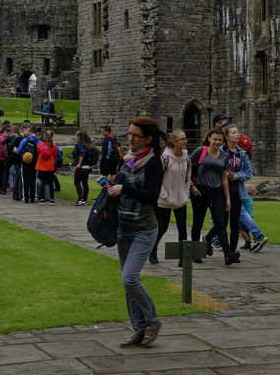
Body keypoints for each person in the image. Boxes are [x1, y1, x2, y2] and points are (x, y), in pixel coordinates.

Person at [107, 116, 166, 348]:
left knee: (129, 278)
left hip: (144, 228)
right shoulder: (127, 159)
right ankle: (139, 330)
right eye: (129, 134)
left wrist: (125, 188)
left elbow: (152, 196)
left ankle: (152, 320)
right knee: (128, 283)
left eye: (135, 135)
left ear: (148, 139)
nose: (130, 138)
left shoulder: (154, 163)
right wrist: (112, 186)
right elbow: (121, 185)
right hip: (124, 227)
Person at [189, 128, 239, 265]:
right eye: (215, 139)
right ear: (209, 138)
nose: (217, 142)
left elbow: (224, 179)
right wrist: (192, 186)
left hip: (216, 191)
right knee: (198, 222)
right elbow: (187, 169)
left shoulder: (224, 156)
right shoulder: (200, 151)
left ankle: (228, 253)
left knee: (221, 222)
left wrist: (227, 199)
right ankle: (195, 252)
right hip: (200, 190)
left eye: (220, 140)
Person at [152, 130, 191, 264]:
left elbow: (188, 177)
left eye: (186, 139)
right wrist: (165, 196)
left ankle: (183, 258)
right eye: (182, 139)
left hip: (181, 199)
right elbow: (158, 179)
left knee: (182, 229)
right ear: (174, 143)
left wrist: (186, 194)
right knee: (162, 228)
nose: (185, 142)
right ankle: (152, 250)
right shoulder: (164, 158)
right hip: (165, 200)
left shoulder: (186, 157)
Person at [222, 126, 254, 257]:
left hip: (237, 192)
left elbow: (249, 172)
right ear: (227, 136)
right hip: (222, 193)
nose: (238, 134)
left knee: (234, 223)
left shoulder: (242, 153)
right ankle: (209, 238)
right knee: (221, 223)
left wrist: (237, 176)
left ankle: (231, 252)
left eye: (238, 132)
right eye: (234, 132)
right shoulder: (220, 151)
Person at [71, 130, 99, 205]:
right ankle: (85, 199)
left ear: (79, 136)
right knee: (85, 183)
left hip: (82, 166)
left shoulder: (80, 144)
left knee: (76, 182)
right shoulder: (89, 144)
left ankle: (81, 199)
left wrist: (79, 164)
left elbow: (82, 154)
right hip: (88, 167)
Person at [239, 183, 267, 252]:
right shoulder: (250, 197)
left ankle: (247, 240)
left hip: (243, 216)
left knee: (240, 229)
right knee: (247, 230)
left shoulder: (245, 198)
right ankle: (247, 243)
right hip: (250, 216)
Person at [17, 125, 42, 204]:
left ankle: (25, 198)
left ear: (30, 132)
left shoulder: (24, 140)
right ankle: (33, 197)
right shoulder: (39, 142)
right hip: (34, 162)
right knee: (33, 180)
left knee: (25, 180)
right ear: (37, 133)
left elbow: (19, 150)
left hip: (25, 162)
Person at [35, 129, 58, 204]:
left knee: (43, 182)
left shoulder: (40, 144)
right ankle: (52, 199)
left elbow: (38, 153)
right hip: (50, 166)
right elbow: (55, 155)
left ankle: (42, 198)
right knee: (51, 182)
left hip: (41, 165)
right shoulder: (53, 145)